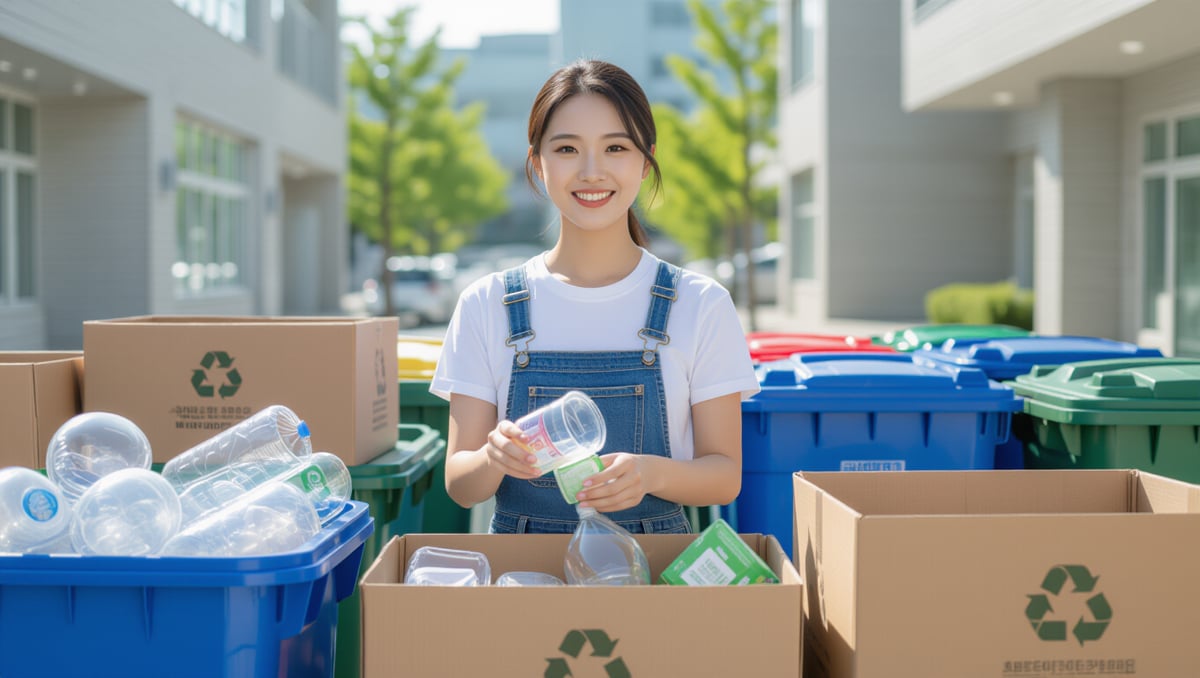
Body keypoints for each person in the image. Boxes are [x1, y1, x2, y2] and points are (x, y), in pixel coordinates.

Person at [430, 59, 759, 535]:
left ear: (645, 161)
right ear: (537, 163)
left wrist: (651, 474)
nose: (591, 171)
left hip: (652, 584)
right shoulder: (486, 304)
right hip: (525, 583)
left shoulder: (700, 303)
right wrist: (492, 456)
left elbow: (725, 475)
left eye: (615, 147)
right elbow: (461, 485)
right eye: (566, 148)